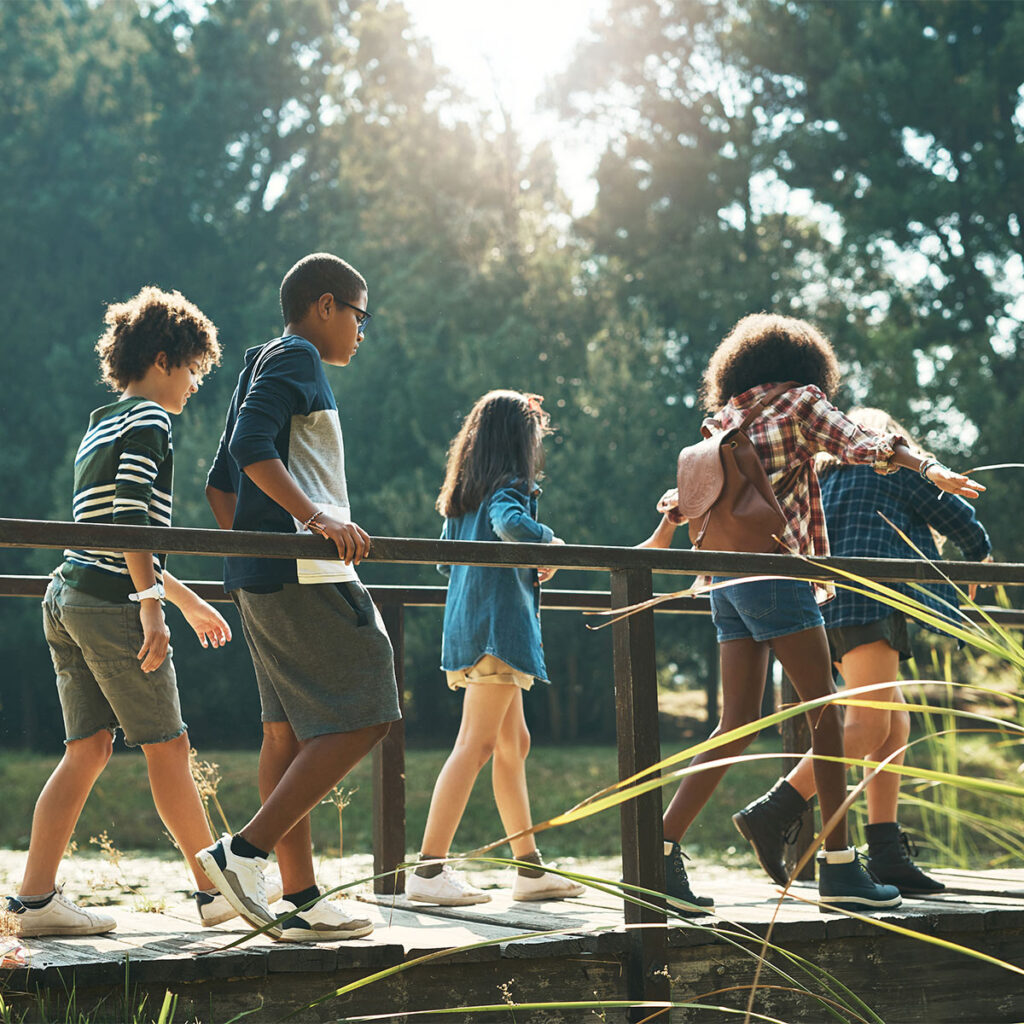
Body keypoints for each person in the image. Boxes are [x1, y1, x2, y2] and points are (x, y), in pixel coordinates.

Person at [639, 313, 984, 914]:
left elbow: (690, 501)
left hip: (724, 583)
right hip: (778, 576)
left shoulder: (724, 419)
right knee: (827, 717)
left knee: (735, 721)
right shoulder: (802, 404)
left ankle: (657, 852)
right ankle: (840, 869)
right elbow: (866, 443)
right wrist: (929, 468)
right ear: (806, 364)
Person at [5, 286, 237, 937]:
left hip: (69, 594)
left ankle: (35, 901)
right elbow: (134, 516)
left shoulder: (101, 421)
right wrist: (151, 608)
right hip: (111, 605)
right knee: (169, 746)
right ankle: (214, 892)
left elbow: (113, 535)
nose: (193, 385)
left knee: (88, 749)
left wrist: (181, 600)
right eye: (192, 369)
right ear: (164, 359)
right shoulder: (151, 422)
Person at [202, 252, 401, 941]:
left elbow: (219, 483)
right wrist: (315, 521)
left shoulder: (261, 361)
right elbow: (254, 447)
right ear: (325, 306)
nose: (361, 331)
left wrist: (254, 549)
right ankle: (245, 852)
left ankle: (303, 896)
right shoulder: (297, 359)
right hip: (305, 574)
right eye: (359, 315)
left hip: (264, 574)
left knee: (286, 732)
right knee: (370, 703)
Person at [733, 407, 992, 895]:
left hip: (825, 609)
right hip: (871, 603)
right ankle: (774, 810)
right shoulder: (895, 468)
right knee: (868, 725)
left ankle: (887, 852)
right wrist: (980, 553)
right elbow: (955, 514)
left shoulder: (824, 477)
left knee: (894, 722)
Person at [405, 390, 585, 906]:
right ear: (517, 442)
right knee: (476, 745)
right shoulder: (509, 487)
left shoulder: (464, 494)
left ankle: (529, 870)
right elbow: (510, 525)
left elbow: (446, 559)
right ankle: (429, 869)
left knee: (514, 744)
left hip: (469, 626)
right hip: (497, 630)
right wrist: (549, 545)